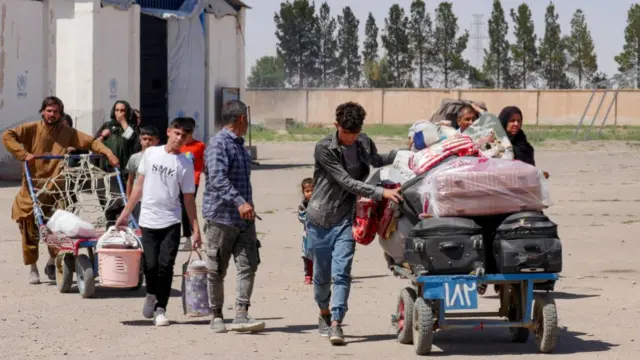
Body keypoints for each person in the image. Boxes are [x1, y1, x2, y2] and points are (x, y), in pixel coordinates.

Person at [306, 101, 402, 345]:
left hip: (345, 220)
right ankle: (324, 313)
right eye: (346, 133)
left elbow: (377, 160)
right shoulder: (324, 148)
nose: (350, 138)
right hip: (319, 219)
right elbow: (346, 181)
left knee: (342, 273)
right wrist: (380, 193)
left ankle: (337, 322)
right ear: (336, 125)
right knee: (321, 276)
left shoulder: (363, 142)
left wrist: (403, 153)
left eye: (355, 133)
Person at [2, 96, 118, 284]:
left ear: (60, 114)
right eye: (49, 111)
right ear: (43, 111)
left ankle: (53, 261)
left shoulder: (68, 132)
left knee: (60, 230)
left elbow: (91, 142)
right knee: (29, 230)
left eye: (56, 112)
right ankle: (33, 268)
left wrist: (109, 153)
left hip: (56, 190)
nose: (52, 114)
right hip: (31, 189)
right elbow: (7, 135)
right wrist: (23, 154)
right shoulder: (31, 129)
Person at [115, 117, 202, 327]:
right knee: (151, 265)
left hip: (171, 221)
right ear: (169, 131)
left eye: (184, 135)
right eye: (177, 133)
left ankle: (161, 308)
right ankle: (151, 294)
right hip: (148, 219)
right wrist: (125, 213)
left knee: (166, 265)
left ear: (188, 138)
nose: (179, 139)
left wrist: (195, 229)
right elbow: (138, 186)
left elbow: (188, 198)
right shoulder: (152, 154)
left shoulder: (185, 164)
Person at [203, 100, 265, 334]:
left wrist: (246, 207)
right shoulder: (219, 144)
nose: (248, 123)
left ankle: (241, 314)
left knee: (248, 264)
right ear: (241, 119)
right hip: (221, 218)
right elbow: (217, 179)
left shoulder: (239, 145)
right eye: (247, 119)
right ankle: (216, 315)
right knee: (217, 268)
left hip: (245, 219)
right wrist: (240, 203)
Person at [95, 100, 139, 227]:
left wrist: (123, 122)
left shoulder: (131, 127)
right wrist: (102, 137)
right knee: (110, 204)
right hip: (107, 171)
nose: (119, 113)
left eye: (122, 110)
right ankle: (110, 230)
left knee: (124, 203)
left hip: (125, 171)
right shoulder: (107, 126)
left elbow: (133, 140)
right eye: (117, 110)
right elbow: (94, 144)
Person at [178, 117, 206, 251]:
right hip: (177, 181)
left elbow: (204, 164)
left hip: (193, 180)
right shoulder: (178, 146)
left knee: (186, 207)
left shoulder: (199, 145)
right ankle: (182, 235)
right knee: (177, 207)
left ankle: (189, 236)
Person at [125, 125, 160, 221]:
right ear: (140, 140)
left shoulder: (161, 158)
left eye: (150, 139)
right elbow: (130, 179)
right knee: (138, 226)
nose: (147, 142)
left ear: (157, 141)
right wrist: (128, 198)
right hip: (138, 200)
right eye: (145, 139)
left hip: (155, 200)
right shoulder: (134, 158)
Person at [298, 177, 314, 285]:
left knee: (323, 257)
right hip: (308, 235)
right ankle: (308, 275)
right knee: (307, 257)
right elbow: (301, 217)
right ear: (303, 192)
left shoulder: (322, 202)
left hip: (322, 235)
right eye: (307, 191)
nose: (310, 193)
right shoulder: (303, 205)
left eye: (312, 190)